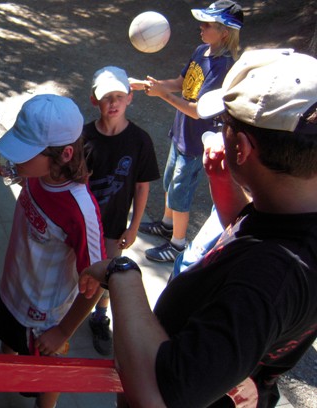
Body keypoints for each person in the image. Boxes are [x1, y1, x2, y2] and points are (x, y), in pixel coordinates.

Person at [79, 48, 317, 408]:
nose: (218, 132)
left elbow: (157, 396)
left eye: (223, 125)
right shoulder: (292, 212)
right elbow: (261, 232)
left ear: (242, 147)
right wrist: (225, 185)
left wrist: (123, 274)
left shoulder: (267, 282)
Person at [0, 94, 106, 408]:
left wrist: (63, 331)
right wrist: (17, 173)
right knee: (5, 333)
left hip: (42, 317)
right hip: (12, 289)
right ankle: (2, 369)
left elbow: (97, 282)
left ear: (65, 155)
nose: (17, 160)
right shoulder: (37, 175)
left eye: (26, 153)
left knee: (46, 373)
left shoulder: (81, 212)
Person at [132, 0, 243, 262]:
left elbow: (197, 111)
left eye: (207, 24)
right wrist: (151, 85)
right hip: (181, 133)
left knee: (180, 192)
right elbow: (181, 83)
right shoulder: (201, 51)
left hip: (196, 142)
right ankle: (167, 225)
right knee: (170, 182)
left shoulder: (222, 66)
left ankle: (177, 244)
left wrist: (162, 95)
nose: (201, 28)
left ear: (225, 32)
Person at [83, 66, 160, 356]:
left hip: (114, 226)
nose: (113, 103)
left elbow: (141, 186)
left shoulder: (140, 141)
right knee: (75, 267)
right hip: (82, 222)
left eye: (119, 96)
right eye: (106, 97)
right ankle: (62, 311)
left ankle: (100, 315)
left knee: (108, 274)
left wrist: (134, 226)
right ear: (94, 100)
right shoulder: (83, 136)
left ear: (130, 97)